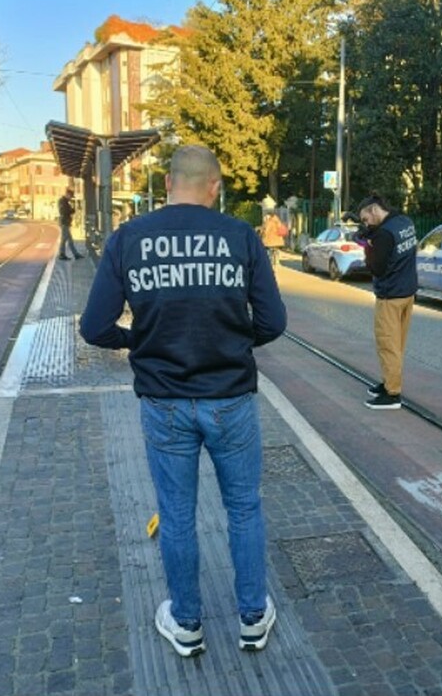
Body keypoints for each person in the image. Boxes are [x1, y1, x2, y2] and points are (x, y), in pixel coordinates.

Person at [79, 145, 287, 658]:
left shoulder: (129, 238)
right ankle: (253, 618)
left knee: (176, 516)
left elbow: (94, 327)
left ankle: (187, 623)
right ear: (214, 186)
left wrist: (139, 342)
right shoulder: (240, 236)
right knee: (243, 509)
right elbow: (273, 321)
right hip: (230, 399)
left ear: (169, 183)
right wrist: (232, 343)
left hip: (164, 401)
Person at [354, 193, 418, 410]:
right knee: (397, 343)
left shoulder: (383, 235)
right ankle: (389, 382)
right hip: (407, 292)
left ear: (374, 210)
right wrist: (372, 235)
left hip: (390, 296)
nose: (366, 223)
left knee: (387, 344)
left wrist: (366, 245)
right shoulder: (405, 222)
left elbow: (376, 268)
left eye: (365, 219)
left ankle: (392, 395)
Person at [58, 187, 83, 260]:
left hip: (66, 222)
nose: (70, 198)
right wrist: (72, 210)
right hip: (64, 222)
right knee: (64, 239)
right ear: (68, 194)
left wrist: (71, 210)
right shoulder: (62, 201)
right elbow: (64, 211)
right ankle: (62, 254)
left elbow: (67, 210)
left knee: (70, 240)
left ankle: (75, 254)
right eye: (70, 196)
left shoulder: (65, 201)